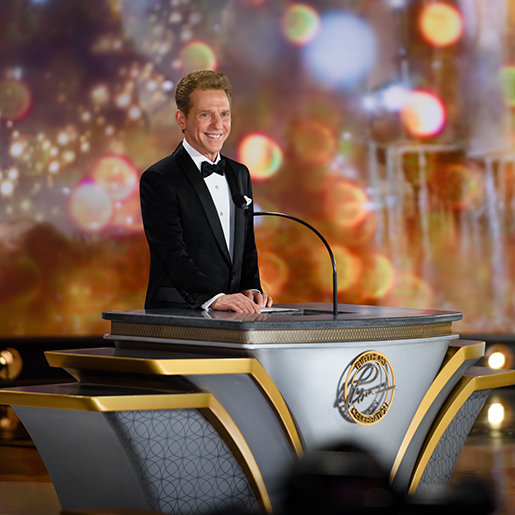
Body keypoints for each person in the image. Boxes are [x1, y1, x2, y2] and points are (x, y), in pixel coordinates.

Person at [140, 70, 272, 313]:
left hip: (235, 315)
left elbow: (246, 244)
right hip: (178, 315)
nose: (218, 125)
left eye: (224, 114)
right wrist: (213, 298)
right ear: (181, 119)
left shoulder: (239, 173)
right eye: (205, 114)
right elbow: (170, 252)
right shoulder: (159, 178)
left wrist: (251, 287)